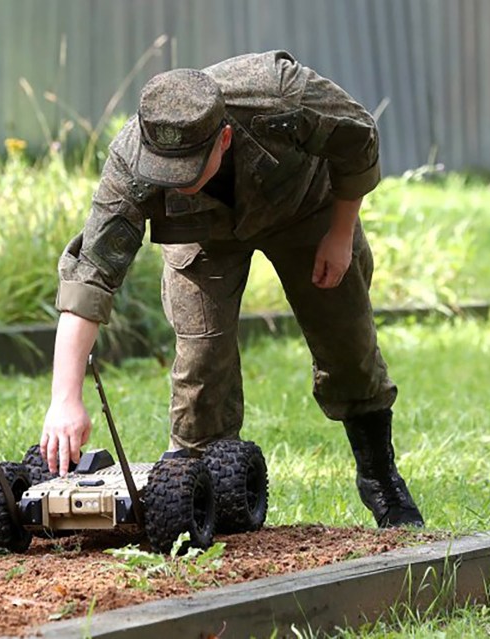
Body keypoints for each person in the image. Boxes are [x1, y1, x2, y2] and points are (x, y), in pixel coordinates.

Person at [39, 50, 424, 529]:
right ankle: (204, 501)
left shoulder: (280, 94)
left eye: (186, 173)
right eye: (164, 173)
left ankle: (380, 479)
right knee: (202, 363)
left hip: (305, 209)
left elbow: (358, 136)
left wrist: (341, 232)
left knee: (346, 340)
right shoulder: (131, 161)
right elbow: (92, 272)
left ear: (223, 139)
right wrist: (64, 398)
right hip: (200, 234)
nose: (174, 185)